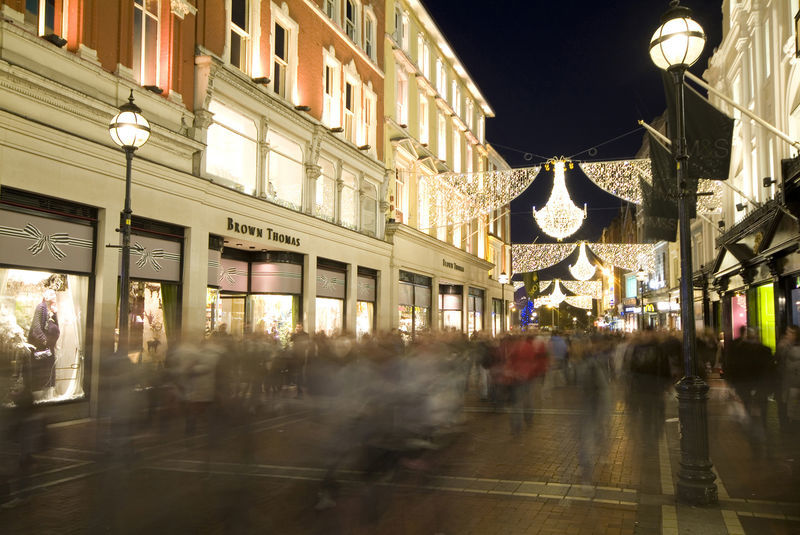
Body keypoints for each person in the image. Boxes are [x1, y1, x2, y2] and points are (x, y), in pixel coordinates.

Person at [26, 289, 59, 396]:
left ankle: (47, 397)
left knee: (48, 375)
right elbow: (36, 328)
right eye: (51, 294)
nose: (54, 296)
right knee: (41, 376)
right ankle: (40, 399)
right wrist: (45, 342)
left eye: (55, 294)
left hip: (48, 349)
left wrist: (55, 313)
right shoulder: (41, 307)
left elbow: (55, 328)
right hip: (42, 350)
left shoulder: (51, 310)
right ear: (45, 297)